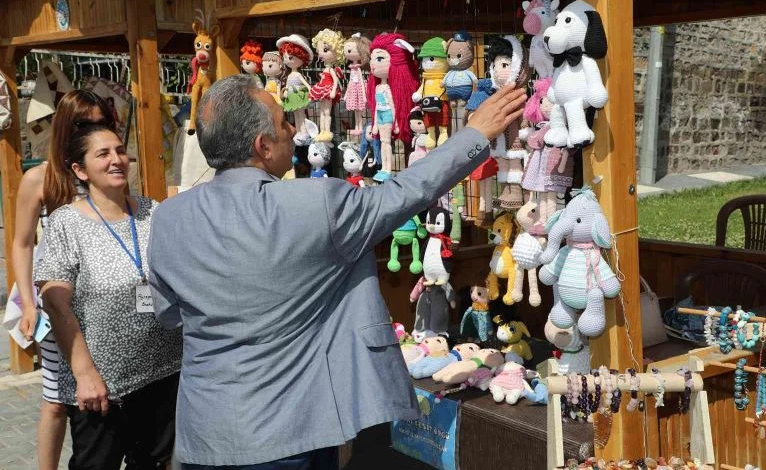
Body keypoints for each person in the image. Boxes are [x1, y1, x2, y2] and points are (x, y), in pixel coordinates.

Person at [147, 74, 526, 469]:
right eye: (283, 122)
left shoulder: (168, 218)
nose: (292, 129)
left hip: (204, 435)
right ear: (262, 146)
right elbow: (404, 193)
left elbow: (170, 314)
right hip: (290, 432)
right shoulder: (316, 204)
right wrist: (474, 134)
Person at [34, 123, 182, 470]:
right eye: (103, 154)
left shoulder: (152, 212)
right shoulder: (66, 223)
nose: (116, 159)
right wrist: (85, 374)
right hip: (103, 389)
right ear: (80, 170)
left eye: (119, 151)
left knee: (155, 463)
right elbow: (55, 302)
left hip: (164, 372)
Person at [10, 90, 116, 470]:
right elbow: (22, 244)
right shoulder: (39, 178)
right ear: (65, 126)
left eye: (102, 122)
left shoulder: (107, 169)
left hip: (104, 299)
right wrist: (28, 303)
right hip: (56, 298)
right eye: (84, 124)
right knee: (55, 398)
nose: (93, 130)